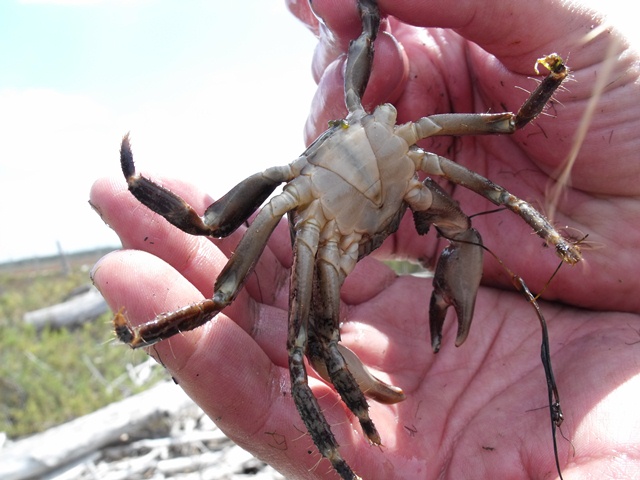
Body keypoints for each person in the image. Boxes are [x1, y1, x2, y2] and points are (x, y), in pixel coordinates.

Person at [91, 0, 640, 478]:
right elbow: (208, 237)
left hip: (341, 212)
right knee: (302, 339)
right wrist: (139, 187)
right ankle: (344, 449)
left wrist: (546, 86)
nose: (378, 240)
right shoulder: (300, 200)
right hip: (325, 224)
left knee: (456, 229)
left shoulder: (402, 139)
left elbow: (508, 125)